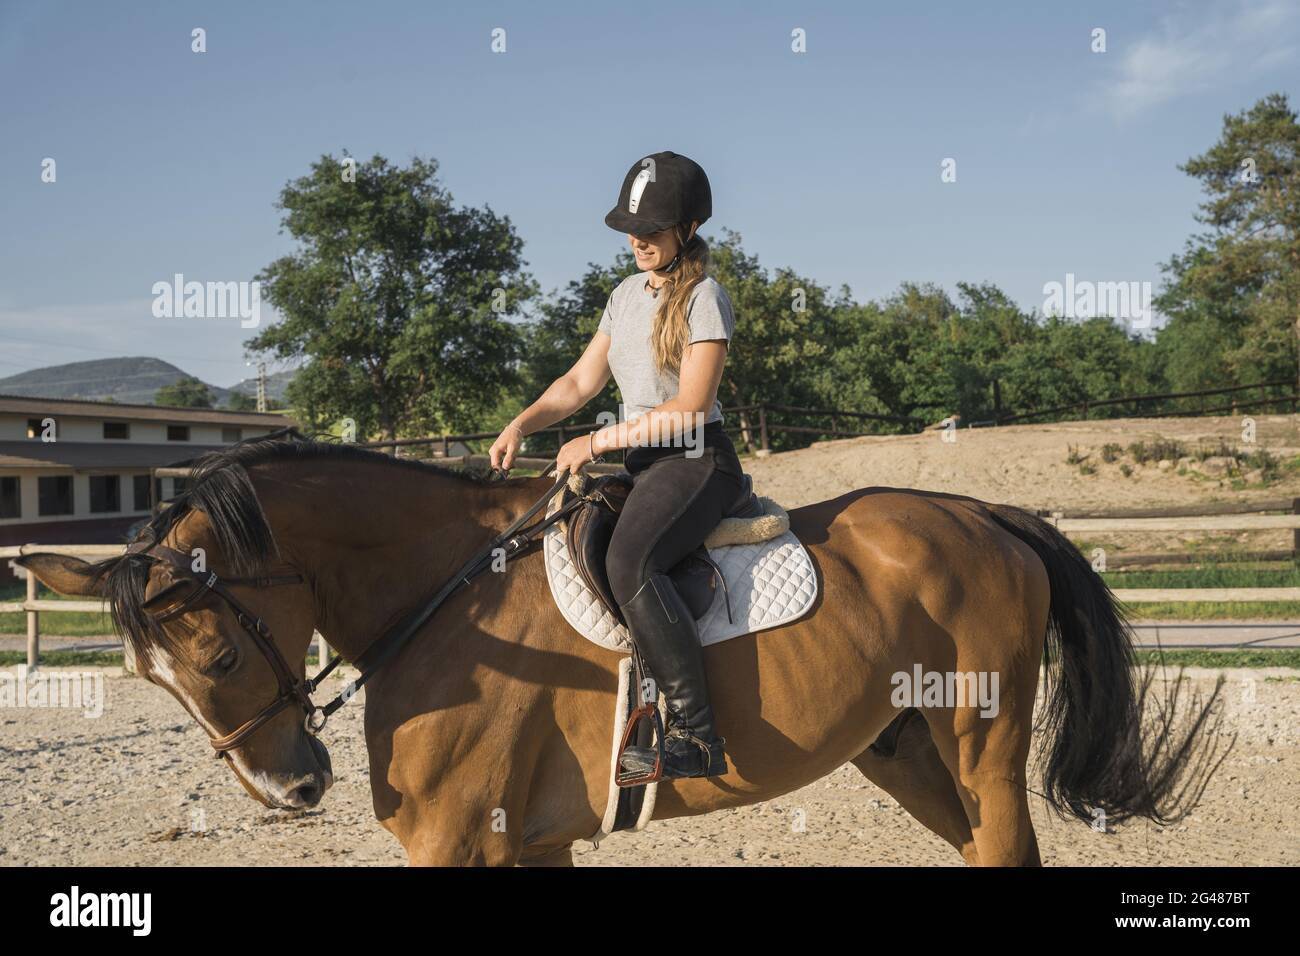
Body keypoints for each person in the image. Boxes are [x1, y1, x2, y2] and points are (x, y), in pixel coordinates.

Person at [489, 151, 744, 779]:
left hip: (696, 460)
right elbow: (579, 382)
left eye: (652, 229)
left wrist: (596, 444)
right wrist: (523, 422)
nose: (638, 240)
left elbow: (691, 406)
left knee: (630, 558)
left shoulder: (706, 298)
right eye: (632, 229)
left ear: (686, 230)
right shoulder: (626, 296)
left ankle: (696, 735)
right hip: (643, 464)